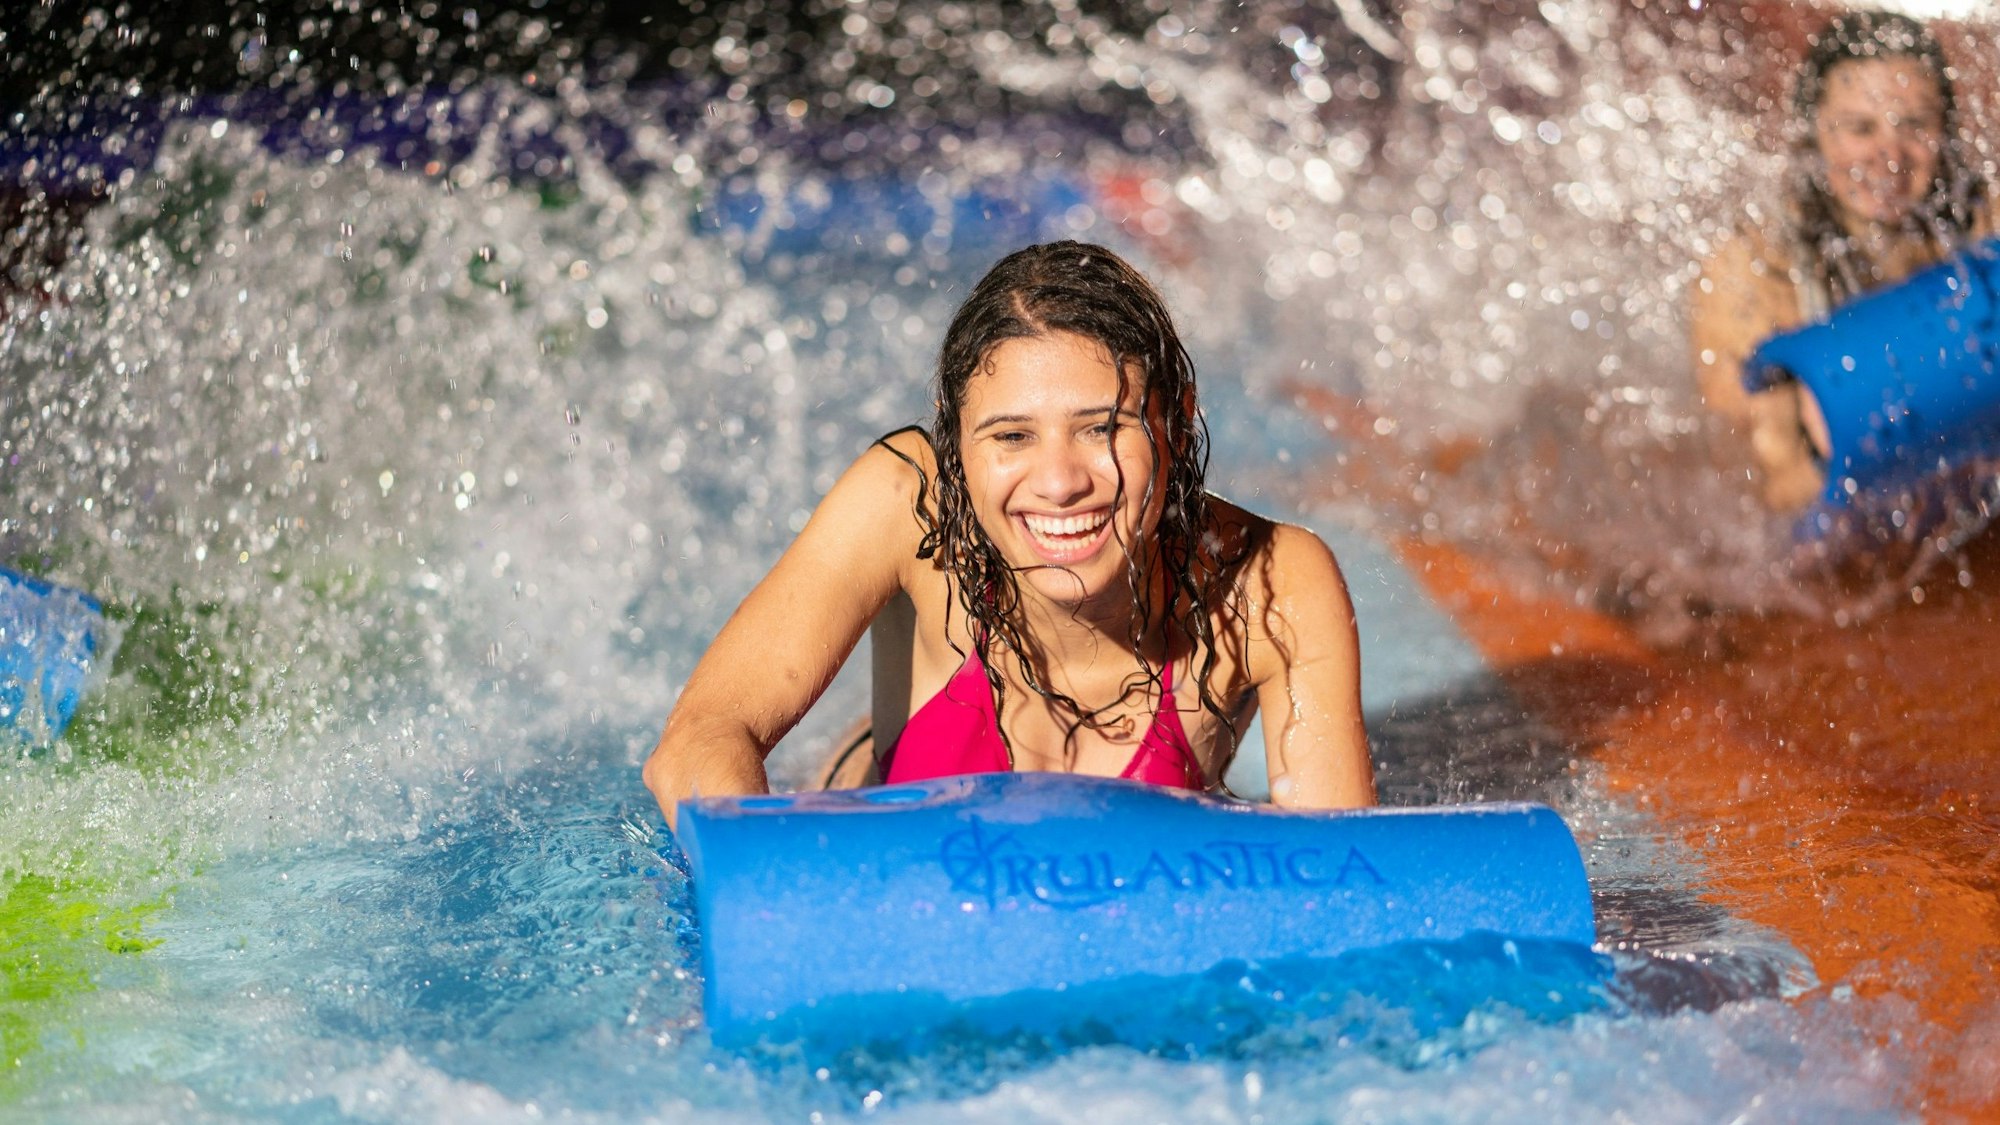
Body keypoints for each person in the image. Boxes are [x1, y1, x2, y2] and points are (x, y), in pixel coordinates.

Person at [644, 241, 1374, 827]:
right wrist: (782, 897)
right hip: (871, 803)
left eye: (1101, 427)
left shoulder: (1269, 581)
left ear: (1176, 422)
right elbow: (698, 741)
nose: (1059, 482)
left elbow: (1342, 872)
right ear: (958, 441)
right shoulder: (908, 503)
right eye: (1012, 436)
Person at [1691, 10, 1990, 511]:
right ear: (1814, 138)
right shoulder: (1755, 273)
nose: (1890, 155)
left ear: (1946, 135)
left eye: (1914, 125)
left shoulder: (1978, 227)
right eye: (1860, 128)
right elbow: (1761, 491)